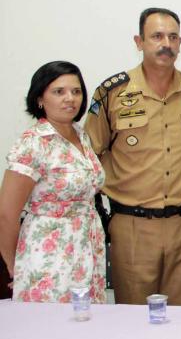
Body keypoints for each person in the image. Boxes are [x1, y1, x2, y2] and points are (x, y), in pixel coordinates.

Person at [85, 7, 181, 306]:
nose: (166, 44)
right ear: (139, 41)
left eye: (173, 37)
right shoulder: (112, 93)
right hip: (133, 224)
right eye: (157, 36)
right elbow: (87, 155)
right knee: (133, 318)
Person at [0, 61, 106, 302]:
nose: (70, 98)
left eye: (76, 91)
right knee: (51, 329)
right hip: (49, 254)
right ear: (40, 98)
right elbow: (6, 215)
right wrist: (14, 264)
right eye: (59, 92)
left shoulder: (80, 134)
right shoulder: (33, 143)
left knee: (87, 326)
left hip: (87, 246)